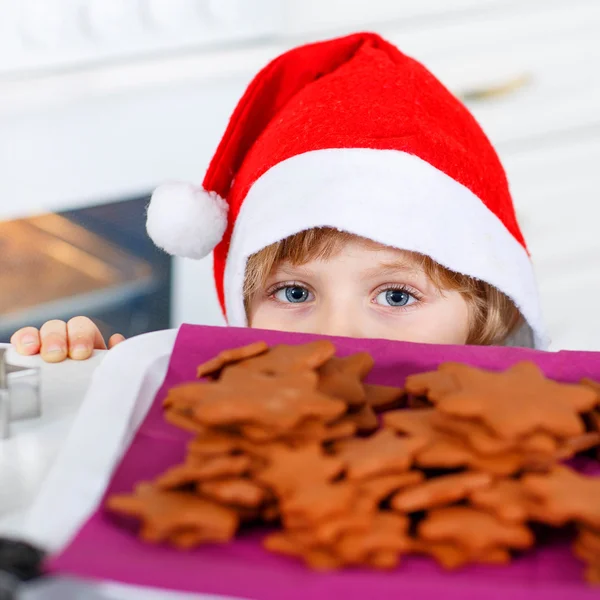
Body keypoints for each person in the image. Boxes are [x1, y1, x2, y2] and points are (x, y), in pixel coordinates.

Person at [10, 32, 546, 363]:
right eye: (293, 293)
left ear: (485, 319)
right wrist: (98, 384)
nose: (337, 337)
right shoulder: (208, 409)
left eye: (398, 296)